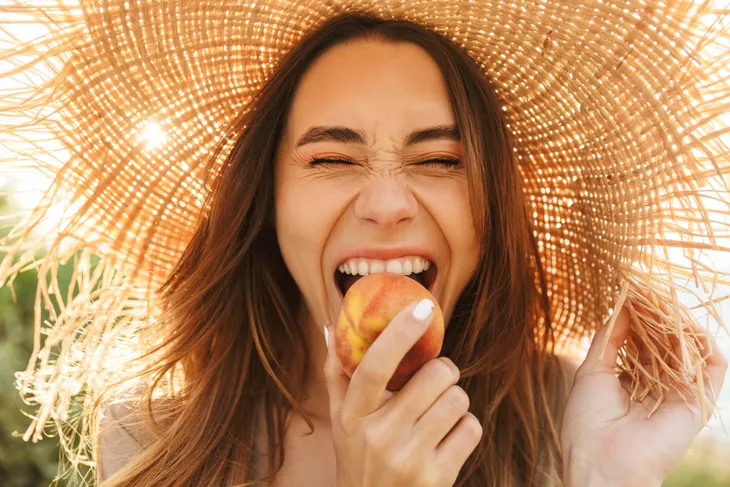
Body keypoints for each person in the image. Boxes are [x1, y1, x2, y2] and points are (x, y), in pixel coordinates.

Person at [0, 3, 727, 487]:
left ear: (491, 208)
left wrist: (598, 478)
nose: (385, 204)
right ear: (266, 201)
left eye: (441, 160)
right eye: (330, 159)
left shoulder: (570, 421)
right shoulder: (152, 442)